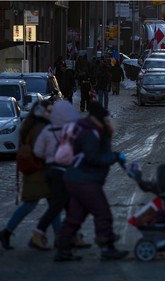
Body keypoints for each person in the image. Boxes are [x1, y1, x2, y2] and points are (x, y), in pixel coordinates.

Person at [54, 101, 129, 262]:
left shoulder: (86, 128)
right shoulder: (92, 133)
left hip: (75, 178)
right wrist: (114, 157)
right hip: (85, 180)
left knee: (75, 216)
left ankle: (63, 249)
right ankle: (107, 247)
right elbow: (93, 157)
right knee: (103, 213)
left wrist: (112, 154)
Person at [0, 101, 61, 250]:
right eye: (49, 111)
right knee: (36, 204)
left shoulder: (32, 125)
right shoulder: (40, 128)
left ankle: (60, 237)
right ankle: (7, 232)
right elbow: (41, 151)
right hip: (39, 172)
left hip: (38, 171)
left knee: (50, 205)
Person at [30, 100, 90, 250]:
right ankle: (38, 233)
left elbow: (37, 151)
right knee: (59, 205)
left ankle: (73, 235)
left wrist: (50, 156)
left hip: (51, 170)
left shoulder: (47, 130)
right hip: (65, 171)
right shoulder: (71, 130)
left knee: (69, 206)